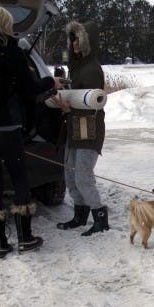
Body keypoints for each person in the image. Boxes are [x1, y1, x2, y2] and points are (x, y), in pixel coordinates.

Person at [0, 6, 58, 258]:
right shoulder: (12, 53)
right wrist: (51, 82)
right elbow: (30, 89)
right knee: (19, 179)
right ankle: (25, 238)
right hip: (5, 127)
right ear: (4, 25)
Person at [53, 20, 109, 236]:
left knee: (83, 176)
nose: (75, 43)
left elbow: (93, 105)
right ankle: (80, 215)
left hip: (89, 129)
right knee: (70, 175)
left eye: (78, 39)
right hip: (74, 127)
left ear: (87, 41)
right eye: (72, 39)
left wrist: (68, 109)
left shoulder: (92, 69)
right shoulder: (76, 67)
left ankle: (100, 218)